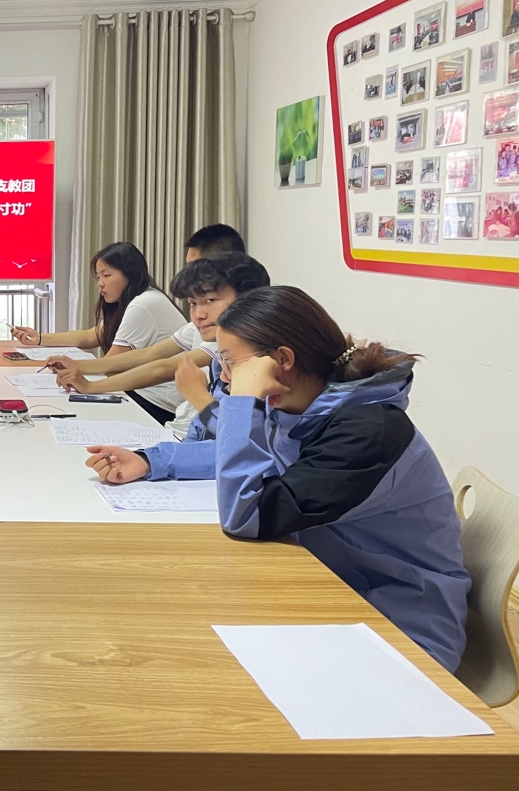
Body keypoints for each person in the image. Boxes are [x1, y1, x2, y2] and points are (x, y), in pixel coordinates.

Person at [86, 286, 470, 672]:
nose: (226, 379)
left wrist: (243, 402)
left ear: (282, 360)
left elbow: (247, 516)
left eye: (231, 364)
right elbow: (254, 455)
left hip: (401, 631)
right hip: (328, 592)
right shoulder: (305, 407)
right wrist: (150, 460)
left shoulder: (366, 434)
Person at [52, 253, 269, 439]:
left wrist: (90, 386)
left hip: (177, 424)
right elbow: (149, 354)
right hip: (181, 432)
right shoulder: (211, 342)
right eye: (193, 303)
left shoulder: (246, 354)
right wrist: (78, 368)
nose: (199, 314)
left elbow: (165, 367)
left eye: (210, 300)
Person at [12, 242, 187, 424]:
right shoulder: (135, 300)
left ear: (130, 274)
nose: (100, 283)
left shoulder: (144, 304)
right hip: (143, 392)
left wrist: (75, 368)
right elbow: (91, 336)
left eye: (107, 275)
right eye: (98, 276)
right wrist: (39, 338)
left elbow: (110, 366)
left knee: (74, 411)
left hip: (158, 404)